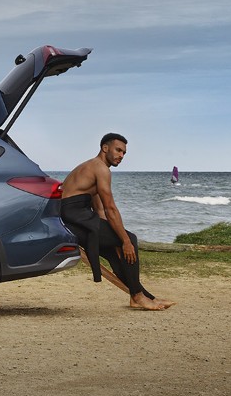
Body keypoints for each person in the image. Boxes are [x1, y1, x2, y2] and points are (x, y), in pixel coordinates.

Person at [59, 133, 175, 311]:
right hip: (74, 219)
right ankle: (137, 296)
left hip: (76, 217)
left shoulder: (92, 166)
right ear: (105, 148)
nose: (121, 155)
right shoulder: (101, 169)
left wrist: (114, 237)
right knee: (130, 240)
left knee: (116, 252)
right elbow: (110, 209)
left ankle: (145, 296)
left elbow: (99, 211)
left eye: (124, 153)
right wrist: (125, 240)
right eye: (118, 150)